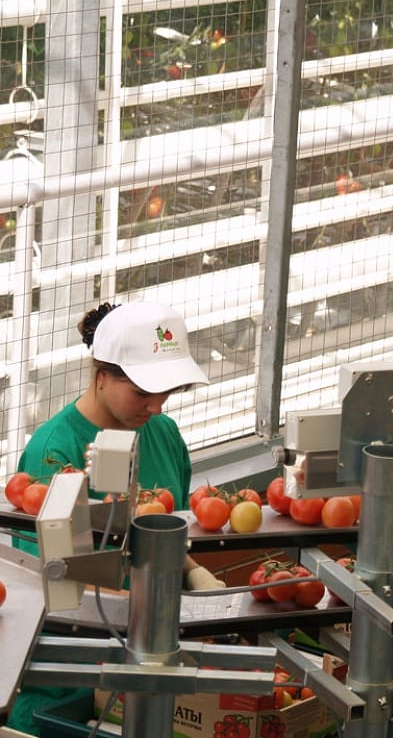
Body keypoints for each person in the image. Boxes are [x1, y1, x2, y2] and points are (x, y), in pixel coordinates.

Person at [9, 301, 224, 735]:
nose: (157, 407)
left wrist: (194, 572)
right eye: (143, 393)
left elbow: (163, 531)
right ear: (101, 375)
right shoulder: (56, 449)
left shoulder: (163, 434)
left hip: (145, 658)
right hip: (67, 678)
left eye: (167, 392)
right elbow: (54, 578)